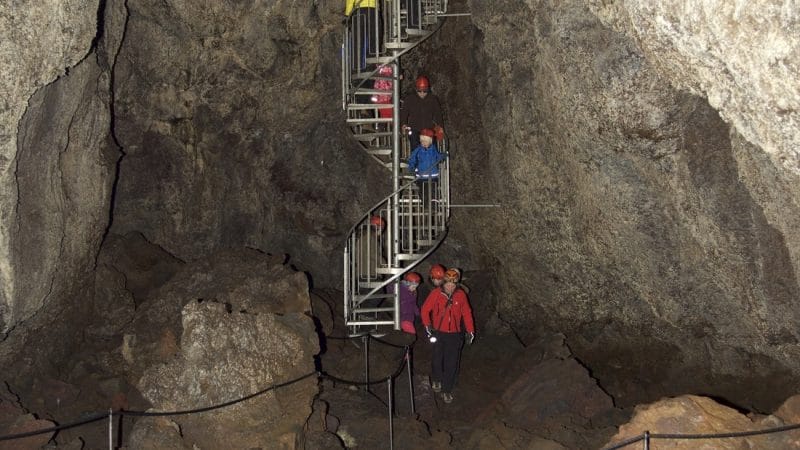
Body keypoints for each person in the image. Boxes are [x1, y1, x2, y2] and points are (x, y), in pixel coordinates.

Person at [420, 268, 475, 404]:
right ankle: (437, 379)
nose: (450, 286)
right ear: (443, 282)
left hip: (455, 335)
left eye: (453, 284)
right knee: (437, 357)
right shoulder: (436, 293)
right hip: (439, 332)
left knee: (452, 362)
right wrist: (427, 326)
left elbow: (467, 313)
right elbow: (425, 310)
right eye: (448, 283)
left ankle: (447, 390)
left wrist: (470, 331)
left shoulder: (461, 295)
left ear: (457, 284)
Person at [400, 75, 443, 150]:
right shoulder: (410, 99)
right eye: (420, 91)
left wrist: (440, 126)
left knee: (432, 148)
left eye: (424, 91)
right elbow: (404, 112)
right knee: (416, 148)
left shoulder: (432, 99)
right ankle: (417, 161)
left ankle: (432, 161)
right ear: (416, 89)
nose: (422, 93)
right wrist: (403, 123)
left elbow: (438, 114)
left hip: (429, 128)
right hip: (415, 129)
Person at [407, 128, 446, 210]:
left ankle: (433, 205)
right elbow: (412, 159)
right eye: (422, 141)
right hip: (421, 176)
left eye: (426, 141)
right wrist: (411, 168)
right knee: (423, 192)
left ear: (430, 141)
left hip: (433, 176)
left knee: (433, 191)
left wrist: (444, 155)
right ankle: (425, 205)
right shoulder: (418, 150)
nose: (424, 143)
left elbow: (438, 157)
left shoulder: (433, 150)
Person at [345, 0, 380, 71]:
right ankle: (372, 64)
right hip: (373, 9)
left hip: (359, 9)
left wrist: (348, 14)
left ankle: (356, 67)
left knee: (357, 40)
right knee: (374, 39)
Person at [355, 215, 386, 281]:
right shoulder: (371, 237)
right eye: (382, 229)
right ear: (379, 228)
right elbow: (373, 253)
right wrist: (384, 263)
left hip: (361, 273)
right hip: (371, 273)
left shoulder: (362, 236)